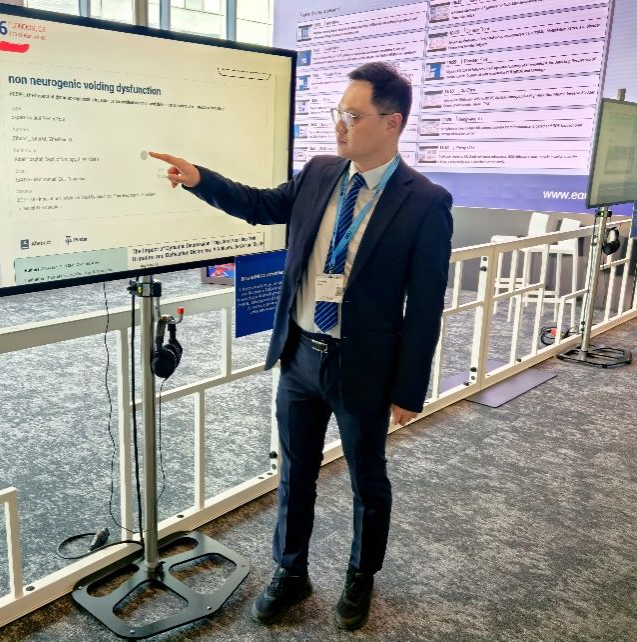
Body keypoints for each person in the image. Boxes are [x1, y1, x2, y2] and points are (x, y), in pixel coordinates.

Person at [150, 61, 452, 631]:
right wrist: (199, 179)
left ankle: (361, 574)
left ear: (392, 122)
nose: (340, 125)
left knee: (367, 481)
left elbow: (425, 306)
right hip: (301, 356)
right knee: (294, 475)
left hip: (365, 368)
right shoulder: (319, 173)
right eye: (338, 113)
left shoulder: (425, 201)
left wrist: (409, 388)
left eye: (353, 116)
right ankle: (291, 572)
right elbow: (260, 204)